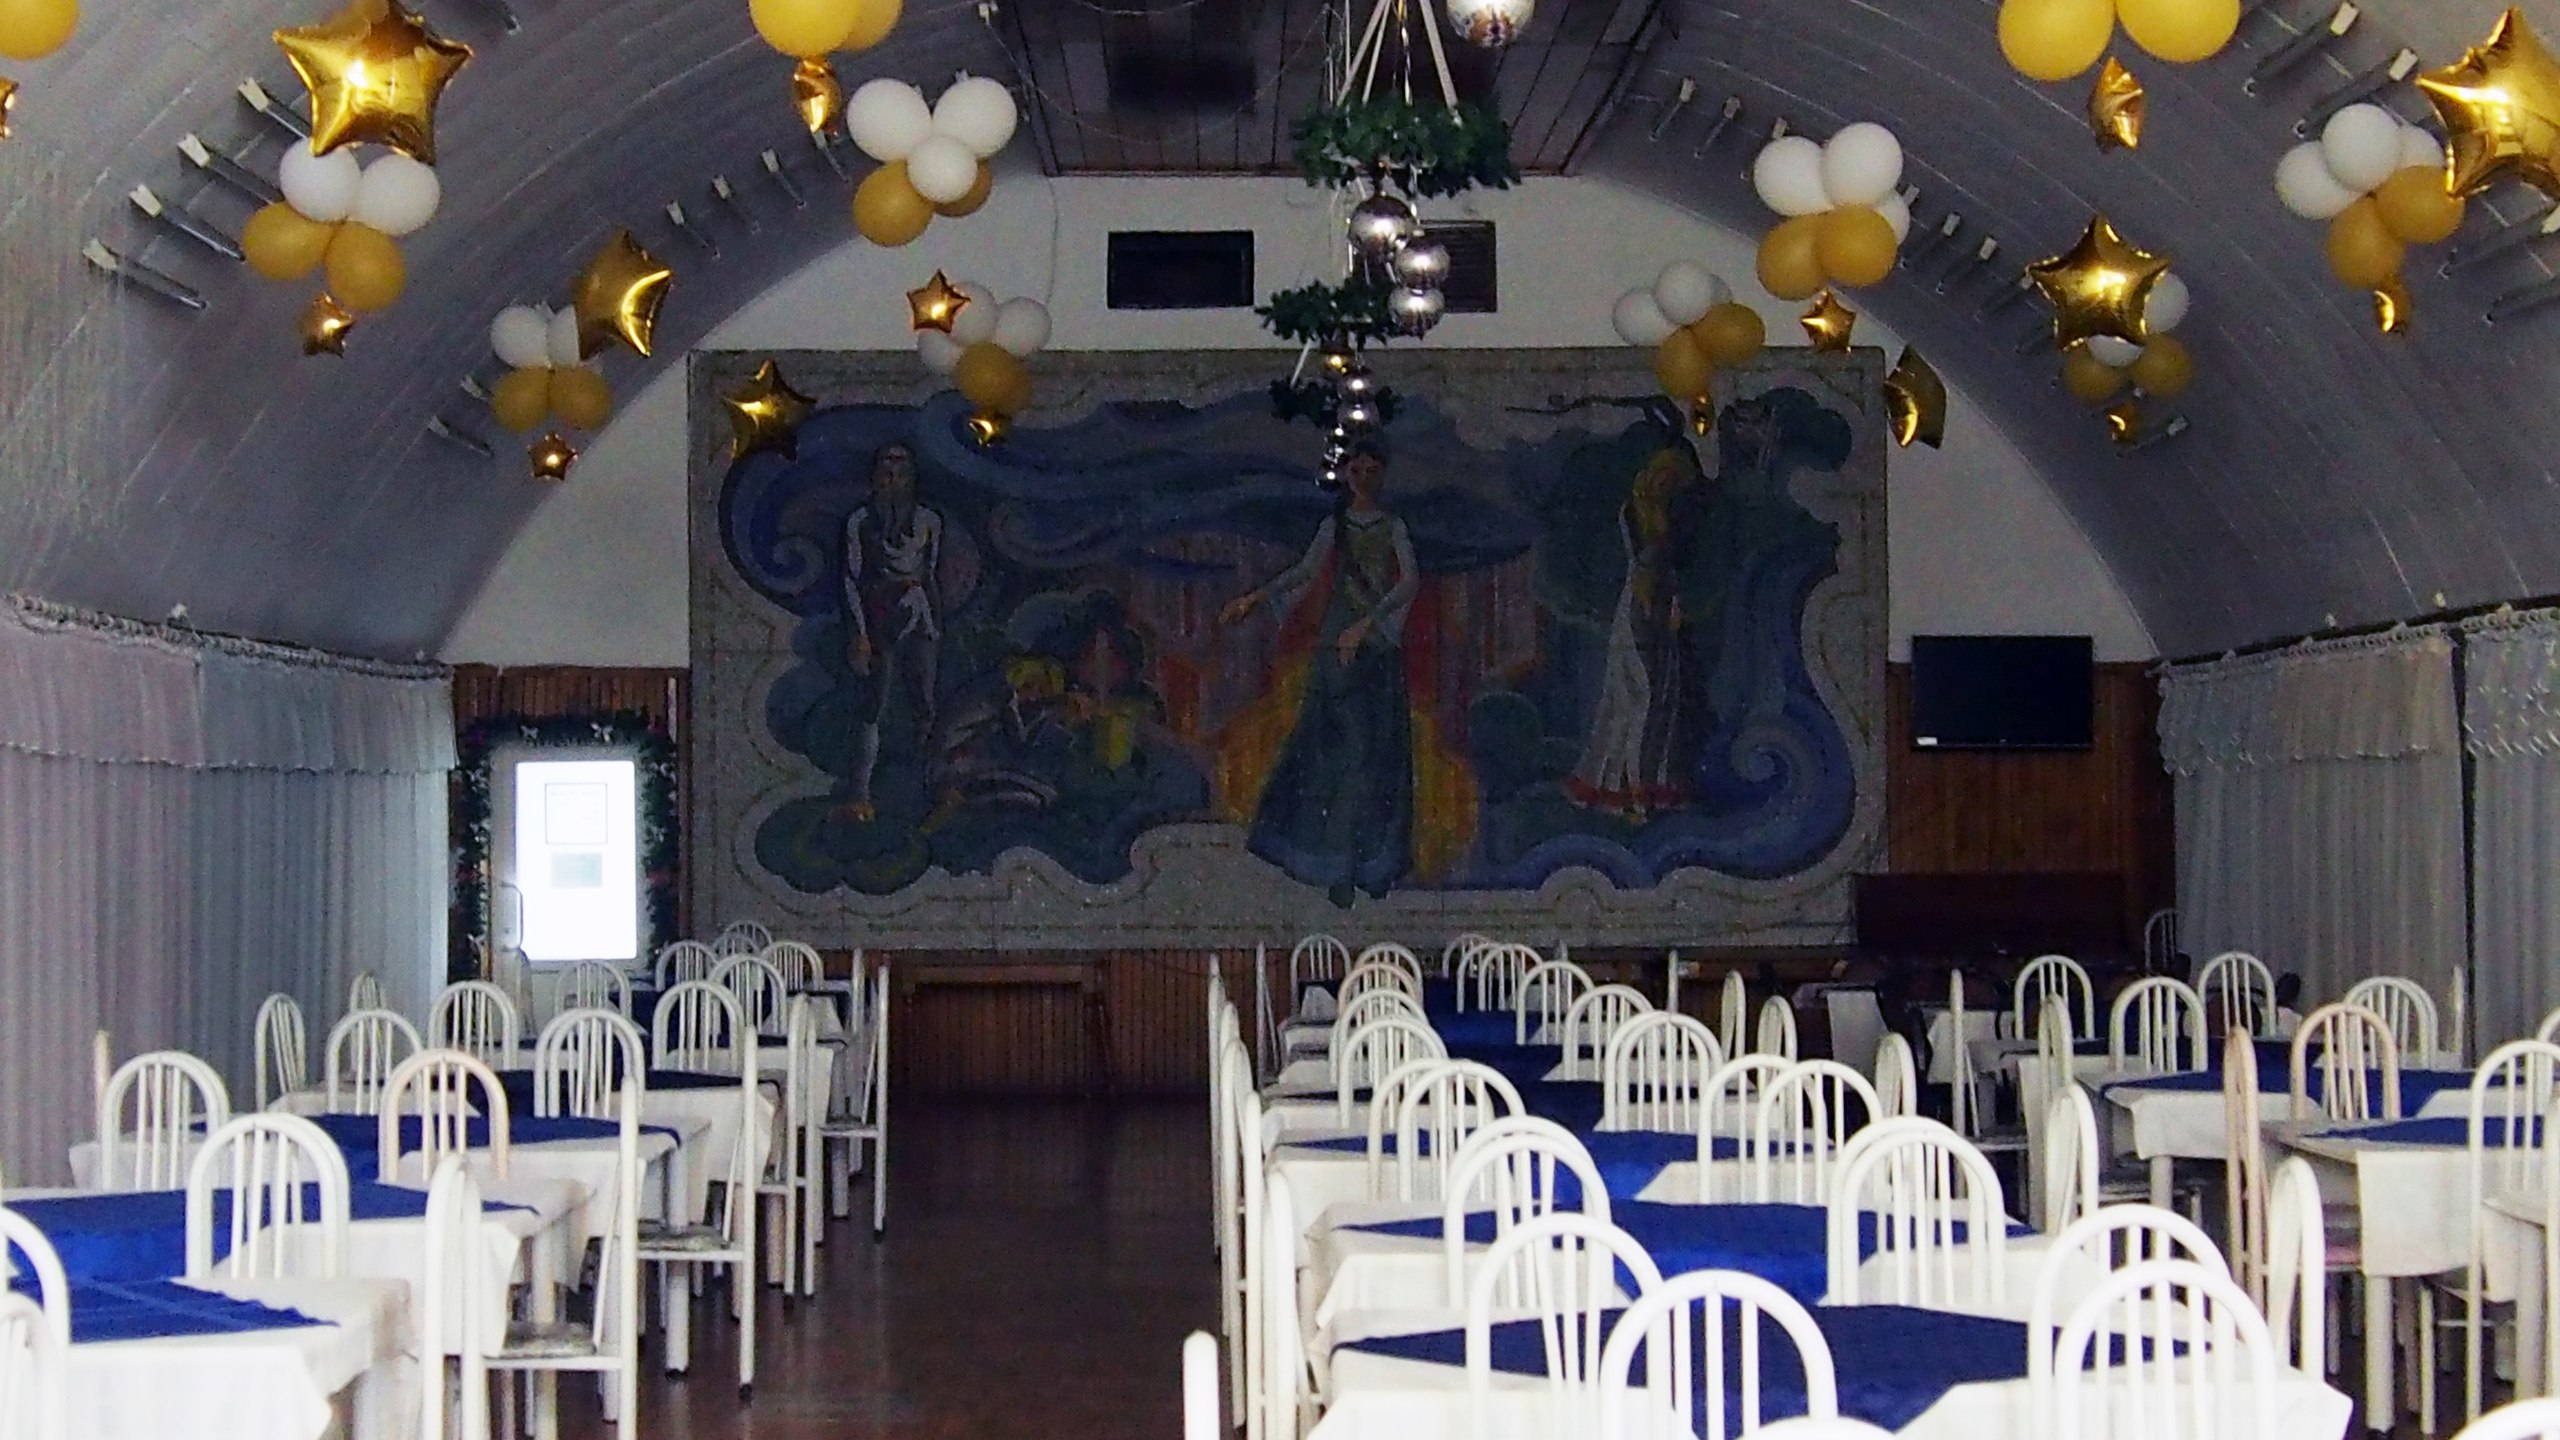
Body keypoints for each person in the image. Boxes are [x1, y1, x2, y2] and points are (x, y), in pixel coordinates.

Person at [1220, 439, 1418, 905]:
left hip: (1376, 650)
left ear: (1382, 474)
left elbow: (1408, 580)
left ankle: (1373, 864)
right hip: (1336, 650)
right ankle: (1339, 868)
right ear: (1346, 475)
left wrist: (1368, 624)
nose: (1364, 479)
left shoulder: (1393, 526)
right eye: (1356, 471)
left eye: (1372, 471)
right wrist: (1255, 598)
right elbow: (1305, 572)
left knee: (1378, 757)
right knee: (1340, 755)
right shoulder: (1335, 526)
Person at [1568, 444, 1701, 817]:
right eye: (1664, 477)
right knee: (1640, 698)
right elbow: (1644, 561)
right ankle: (1633, 791)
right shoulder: (1634, 511)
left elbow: (1670, 566)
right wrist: (1654, 594)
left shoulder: (1671, 515)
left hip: (1661, 605)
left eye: (1674, 481)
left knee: (1662, 699)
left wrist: (1674, 602)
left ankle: (1654, 785)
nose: (1666, 485)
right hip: (1639, 607)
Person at [840, 442, 944, 821]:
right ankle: (860, 793)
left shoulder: (929, 521)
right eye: (886, 470)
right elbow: (851, 578)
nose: (892, 478)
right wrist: (860, 633)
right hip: (880, 614)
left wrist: (937, 626)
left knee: (924, 705)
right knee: (875, 704)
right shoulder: (860, 521)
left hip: (920, 615)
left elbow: (929, 575)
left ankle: (922, 789)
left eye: (900, 471)